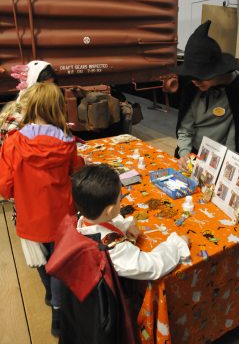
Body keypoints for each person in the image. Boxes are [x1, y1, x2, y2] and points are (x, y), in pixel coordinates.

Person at [45, 164, 190, 343]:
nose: (121, 201)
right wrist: (176, 244)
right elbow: (153, 265)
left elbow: (100, 225)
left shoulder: (78, 222)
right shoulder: (113, 248)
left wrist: (124, 226)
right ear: (110, 210)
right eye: (119, 198)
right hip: (112, 312)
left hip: (79, 307)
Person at [0, 82, 84, 337]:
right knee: (60, 263)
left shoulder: (13, 143)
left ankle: (49, 293)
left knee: (41, 260)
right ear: (58, 109)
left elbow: (4, 186)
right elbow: (77, 173)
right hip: (62, 218)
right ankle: (59, 313)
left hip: (30, 217)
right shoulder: (68, 143)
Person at [175, 20, 239, 171]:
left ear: (216, 71)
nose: (195, 82)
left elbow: (237, 140)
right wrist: (184, 154)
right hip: (194, 156)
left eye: (200, 77)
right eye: (192, 77)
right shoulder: (192, 88)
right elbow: (185, 129)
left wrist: (225, 169)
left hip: (224, 161)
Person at [0, 60, 57, 144]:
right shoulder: (16, 121)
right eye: (43, 88)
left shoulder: (44, 111)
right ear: (31, 85)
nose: (48, 93)